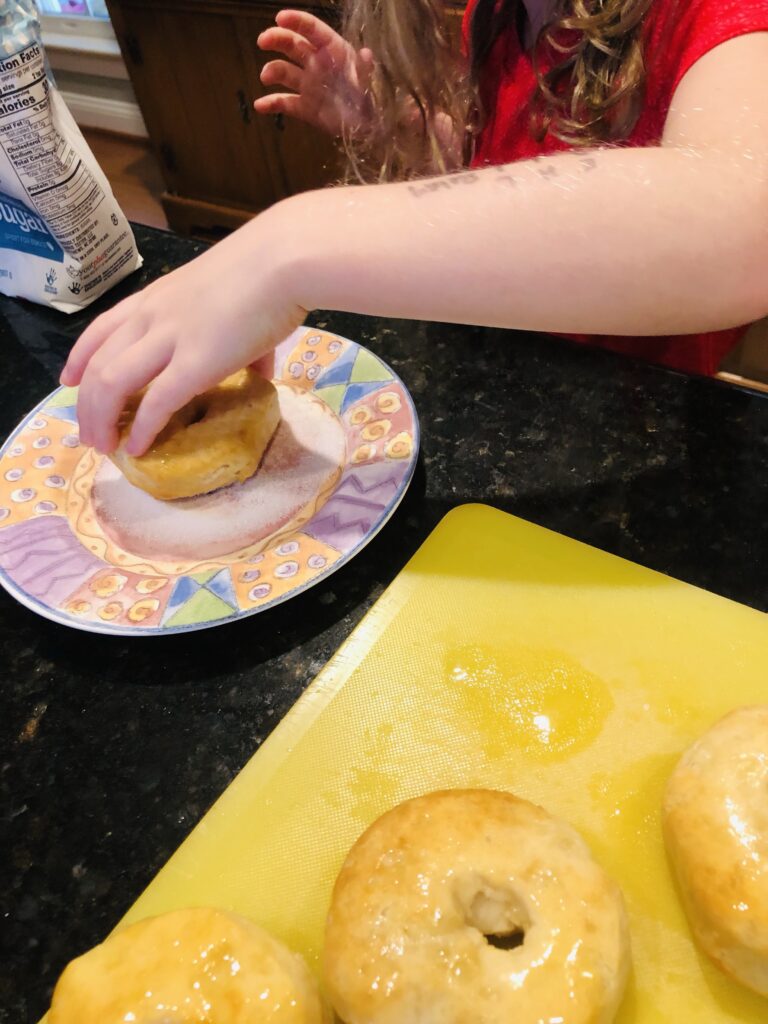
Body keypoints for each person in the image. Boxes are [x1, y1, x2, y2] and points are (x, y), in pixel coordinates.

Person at [62, 0, 768, 457]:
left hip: (638, 433)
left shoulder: (717, 13)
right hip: (499, 392)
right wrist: (393, 128)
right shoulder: (496, 17)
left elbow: (746, 214)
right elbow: (499, 178)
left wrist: (288, 246)